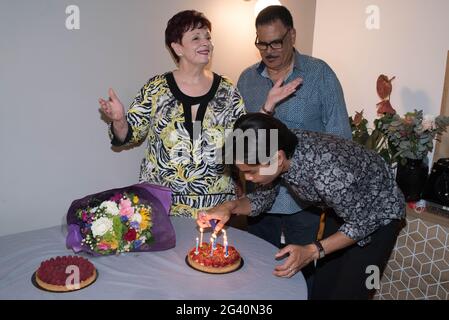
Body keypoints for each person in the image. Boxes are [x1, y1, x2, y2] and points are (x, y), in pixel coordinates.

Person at [98, 10, 300, 218]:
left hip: (215, 207)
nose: (206, 43)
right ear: (177, 48)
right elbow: (126, 137)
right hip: (161, 206)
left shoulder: (227, 90)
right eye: (196, 38)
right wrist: (119, 120)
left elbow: (243, 143)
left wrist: (268, 105)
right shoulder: (155, 88)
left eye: (208, 37)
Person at [197, 113, 405, 299]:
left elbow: (361, 223)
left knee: (352, 290)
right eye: (243, 171)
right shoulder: (279, 145)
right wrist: (230, 207)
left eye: (251, 171)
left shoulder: (327, 172)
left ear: (278, 158)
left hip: (379, 216)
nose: (247, 178)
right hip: (342, 208)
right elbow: (262, 200)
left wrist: (313, 251)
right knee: (323, 286)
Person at [237, 4, 352, 294]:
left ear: (293, 35)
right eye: (261, 43)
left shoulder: (319, 73)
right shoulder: (247, 79)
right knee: (257, 271)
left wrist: (329, 191)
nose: (269, 50)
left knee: (299, 273)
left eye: (276, 42)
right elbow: (238, 142)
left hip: (304, 200)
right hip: (260, 197)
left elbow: (340, 137)